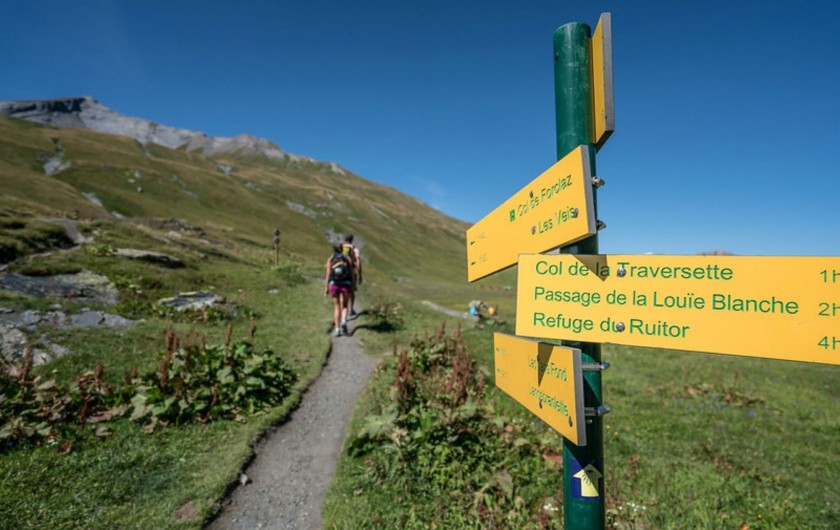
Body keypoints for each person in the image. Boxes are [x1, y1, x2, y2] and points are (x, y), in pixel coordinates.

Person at [325, 243, 353, 336]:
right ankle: (344, 321)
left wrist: (326, 287)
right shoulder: (347, 259)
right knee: (344, 305)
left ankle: (337, 330)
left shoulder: (331, 259)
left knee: (336, 307)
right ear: (342, 249)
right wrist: (352, 284)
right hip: (346, 284)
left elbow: (328, 275)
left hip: (334, 284)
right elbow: (351, 273)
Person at [342, 234, 362, 316]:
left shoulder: (341, 247)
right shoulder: (354, 248)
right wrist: (360, 273)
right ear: (352, 240)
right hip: (352, 271)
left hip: (341, 271)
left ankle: (342, 307)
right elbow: (358, 260)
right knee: (352, 290)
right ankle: (350, 309)